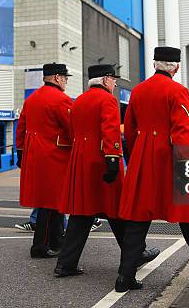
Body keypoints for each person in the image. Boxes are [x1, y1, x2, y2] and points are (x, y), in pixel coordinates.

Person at [117, 47, 189, 292]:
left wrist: (136, 157)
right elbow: (180, 134)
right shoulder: (177, 91)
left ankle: (124, 277)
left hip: (142, 159)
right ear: (176, 67)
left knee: (138, 218)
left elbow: (130, 130)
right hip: (170, 161)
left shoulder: (138, 91)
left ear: (155, 64)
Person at [55, 64, 159, 277]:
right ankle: (136, 253)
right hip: (102, 162)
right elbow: (110, 132)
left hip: (81, 161)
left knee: (81, 213)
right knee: (117, 210)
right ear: (104, 80)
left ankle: (65, 264)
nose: (115, 83)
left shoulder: (79, 101)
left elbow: (73, 131)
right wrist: (113, 159)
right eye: (113, 79)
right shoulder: (108, 100)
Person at [15, 63, 72, 258]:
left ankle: (57, 241)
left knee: (52, 202)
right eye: (65, 78)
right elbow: (71, 128)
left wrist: (21, 152)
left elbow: (21, 127)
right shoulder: (61, 99)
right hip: (55, 156)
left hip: (35, 155)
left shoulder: (32, 99)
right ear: (57, 77)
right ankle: (40, 246)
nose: (65, 81)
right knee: (50, 203)